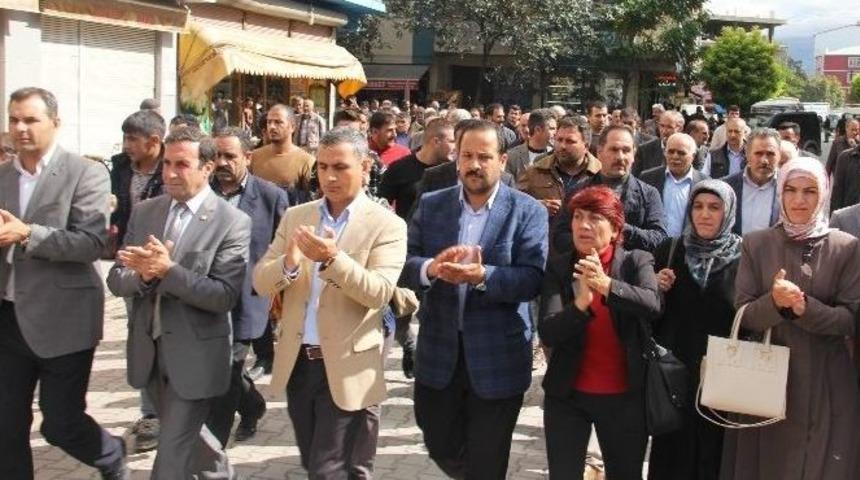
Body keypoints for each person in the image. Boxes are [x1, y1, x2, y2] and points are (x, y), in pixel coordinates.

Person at [253, 127, 407, 478]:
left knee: (327, 469)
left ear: (366, 167)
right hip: (299, 363)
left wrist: (332, 259)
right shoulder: (297, 217)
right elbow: (261, 281)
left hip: (348, 364)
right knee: (318, 464)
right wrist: (289, 264)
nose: (329, 176)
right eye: (322, 167)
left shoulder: (388, 225)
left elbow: (379, 292)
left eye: (340, 167)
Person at [402, 120, 548, 478]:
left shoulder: (527, 211)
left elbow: (532, 279)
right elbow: (404, 263)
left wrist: (485, 276)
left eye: (484, 156)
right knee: (438, 442)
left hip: (498, 356)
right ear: (456, 158)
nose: (474, 164)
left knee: (487, 457)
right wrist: (431, 270)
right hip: (439, 353)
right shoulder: (432, 204)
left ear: (502, 160)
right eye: (467, 155)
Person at [0, 87, 128, 480]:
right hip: (8, 319)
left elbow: (90, 243)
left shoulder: (86, 173)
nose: (20, 128)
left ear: (55, 123)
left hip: (64, 320)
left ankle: (110, 455)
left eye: (30, 120)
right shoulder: (3, 176)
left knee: (59, 424)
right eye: (14, 120)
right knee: (5, 427)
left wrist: (27, 234)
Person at [107, 127, 249, 479]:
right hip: (150, 349)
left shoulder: (232, 222)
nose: (170, 173)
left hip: (196, 355)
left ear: (207, 167)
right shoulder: (145, 212)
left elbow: (223, 295)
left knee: (170, 457)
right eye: (167, 163)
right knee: (185, 436)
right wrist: (142, 276)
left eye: (182, 164)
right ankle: (219, 473)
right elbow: (115, 278)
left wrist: (169, 271)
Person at [723, 156, 860, 480]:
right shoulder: (757, 244)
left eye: (810, 191)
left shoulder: (846, 248)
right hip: (766, 381)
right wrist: (774, 302)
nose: (799, 200)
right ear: (780, 193)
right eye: (791, 190)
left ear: (824, 194)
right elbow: (743, 316)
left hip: (827, 383)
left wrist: (803, 307)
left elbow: (850, 321)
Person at [539, 185, 660, 479]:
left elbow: (652, 303)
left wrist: (606, 285)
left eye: (595, 218)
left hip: (624, 398)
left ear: (616, 227)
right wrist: (580, 305)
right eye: (578, 217)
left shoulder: (635, 261)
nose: (584, 225)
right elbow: (549, 331)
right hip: (568, 397)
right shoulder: (559, 267)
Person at [647, 180, 742, 480]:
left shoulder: (746, 255)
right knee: (672, 453)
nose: (704, 214)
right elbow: (650, 311)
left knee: (715, 453)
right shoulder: (671, 250)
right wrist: (655, 287)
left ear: (728, 213)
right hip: (675, 373)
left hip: (723, 375)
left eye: (715, 208)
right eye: (698, 207)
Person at [206, 127, 289, 444]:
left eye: (230, 156)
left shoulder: (270, 196)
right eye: (217, 156)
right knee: (224, 371)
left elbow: (282, 248)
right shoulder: (202, 193)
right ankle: (252, 406)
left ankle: (214, 446)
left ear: (248, 158)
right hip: (204, 296)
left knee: (227, 370)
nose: (222, 162)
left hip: (246, 300)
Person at [109, 109, 167, 453]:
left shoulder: (173, 167)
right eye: (125, 138)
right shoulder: (120, 166)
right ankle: (149, 413)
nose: (127, 145)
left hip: (165, 261)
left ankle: (171, 412)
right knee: (139, 336)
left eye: (133, 139)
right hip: (132, 264)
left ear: (154, 142)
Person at [552, 125, 668, 254]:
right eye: (614, 149)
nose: (620, 157)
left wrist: (617, 227)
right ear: (599, 152)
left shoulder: (648, 194)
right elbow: (559, 236)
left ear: (634, 155)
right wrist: (591, 243)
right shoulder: (579, 192)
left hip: (631, 270)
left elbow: (659, 238)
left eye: (626, 150)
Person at [517, 116, 600, 220]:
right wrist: (537, 206)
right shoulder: (535, 171)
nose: (562, 146)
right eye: (559, 140)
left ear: (586, 146)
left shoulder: (600, 174)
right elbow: (514, 206)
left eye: (570, 141)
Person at [640, 133, 708, 237]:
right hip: (652, 247)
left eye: (681, 153)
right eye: (671, 152)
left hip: (688, 248)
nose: (675, 156)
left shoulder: (705, 184)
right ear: (664, 152)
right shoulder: (647, 178)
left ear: (693, 156)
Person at [251, 104, 315, 205]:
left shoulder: (306, 161)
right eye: (269, 122)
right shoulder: (253, 157)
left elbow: (311, 201)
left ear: (292, 127)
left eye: (278, 122)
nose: (272, 127)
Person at [722, 128, 781, 236]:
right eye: (758, 153)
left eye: (770, 154)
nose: (764, 160)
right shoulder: (727, 186)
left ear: (779, 155)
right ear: (747, 154)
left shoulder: (788, 186)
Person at [505, 108, 557, 180]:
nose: (555, 133)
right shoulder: (512, 156)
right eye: (551, 128)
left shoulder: (556, 156)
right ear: (538, 129)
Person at [633, 110, 685, 177]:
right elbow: (635, 177)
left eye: (669, 127)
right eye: (662, 126)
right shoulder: (644, 150)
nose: (664, 131)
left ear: (680, 128)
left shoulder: (687, 150)